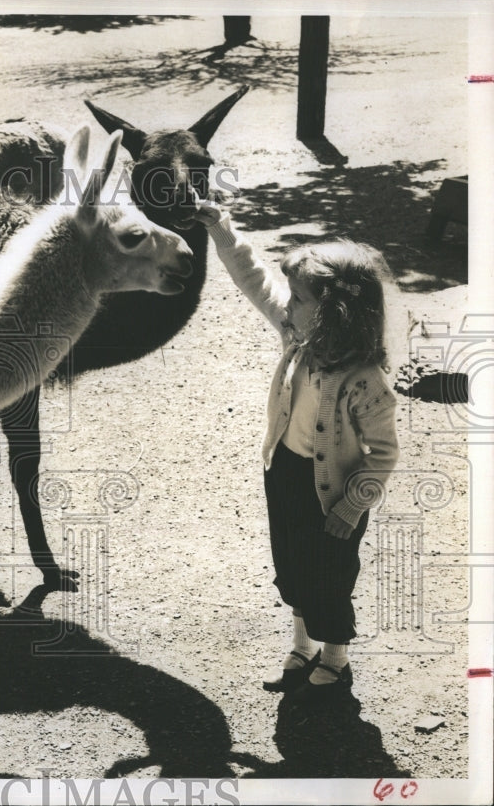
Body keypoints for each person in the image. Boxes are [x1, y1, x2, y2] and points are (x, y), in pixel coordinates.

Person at [193, 200, 400, 703]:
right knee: (293, 563)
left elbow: (383, 454)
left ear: (334, 312)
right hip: (285, 471)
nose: (287, 304)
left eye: (299, 298)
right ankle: (302, 648)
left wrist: (352, 507)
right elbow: (253, 278)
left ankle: (336, 659)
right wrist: (221, 227)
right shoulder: (296, 336)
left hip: (332, 494)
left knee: (329, 574)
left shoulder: (365, 379)